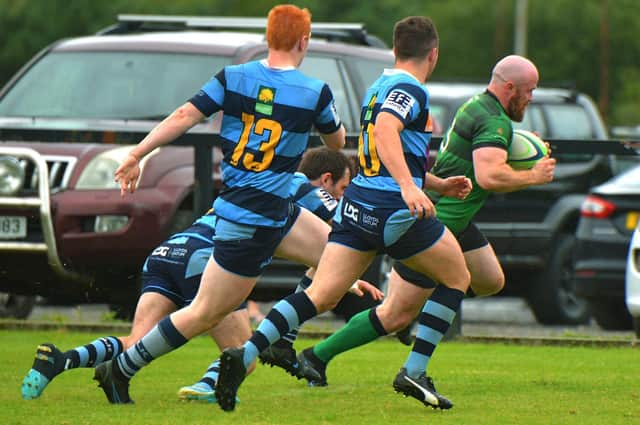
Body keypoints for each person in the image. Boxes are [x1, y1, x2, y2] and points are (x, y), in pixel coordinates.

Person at [86, 4, 350, 405]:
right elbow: (337, 143)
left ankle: (281, 339)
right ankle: (121, 368)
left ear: (268, 37)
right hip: (250, 220)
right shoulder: (315, 92)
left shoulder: (234, 78)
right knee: (205, 312)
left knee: (339, 260)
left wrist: (137, 154)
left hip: (277, 210)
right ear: (304, 41)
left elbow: (183, 115)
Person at [215, 16, 475, 412]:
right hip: (392, 208)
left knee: (320, 293)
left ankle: (247, 352)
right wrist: (409, 187)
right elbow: (387, 130)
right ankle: (414, 370)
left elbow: (387, 149)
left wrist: (435, 184)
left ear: (394, 50)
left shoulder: (378, 85)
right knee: (457, 276)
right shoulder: (411, 88)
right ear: (434, 54)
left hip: (357, 204)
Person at [291, 54, 556, 409]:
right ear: (510, 87)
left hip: (456, 216)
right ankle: (318, 356)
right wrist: (533, 175)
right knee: (396, 312)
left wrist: (516, 145)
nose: (531, 98)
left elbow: (486, 152)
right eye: (529, 91)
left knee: (490, 279)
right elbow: (490, 175)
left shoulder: (479, 108)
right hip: (436, 216)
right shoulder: (493, 120)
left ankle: (421, 316)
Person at [177, 147, 383, 402]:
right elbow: (345, 223)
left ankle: (124, 363)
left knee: (149, 334)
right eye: (342, 190)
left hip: (183, 250)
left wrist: (349, 278)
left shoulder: (272, 187)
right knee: (239, 343)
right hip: (214, 261)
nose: (341, 198)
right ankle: (279, 345)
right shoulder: (303, 188)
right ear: (326, 179)